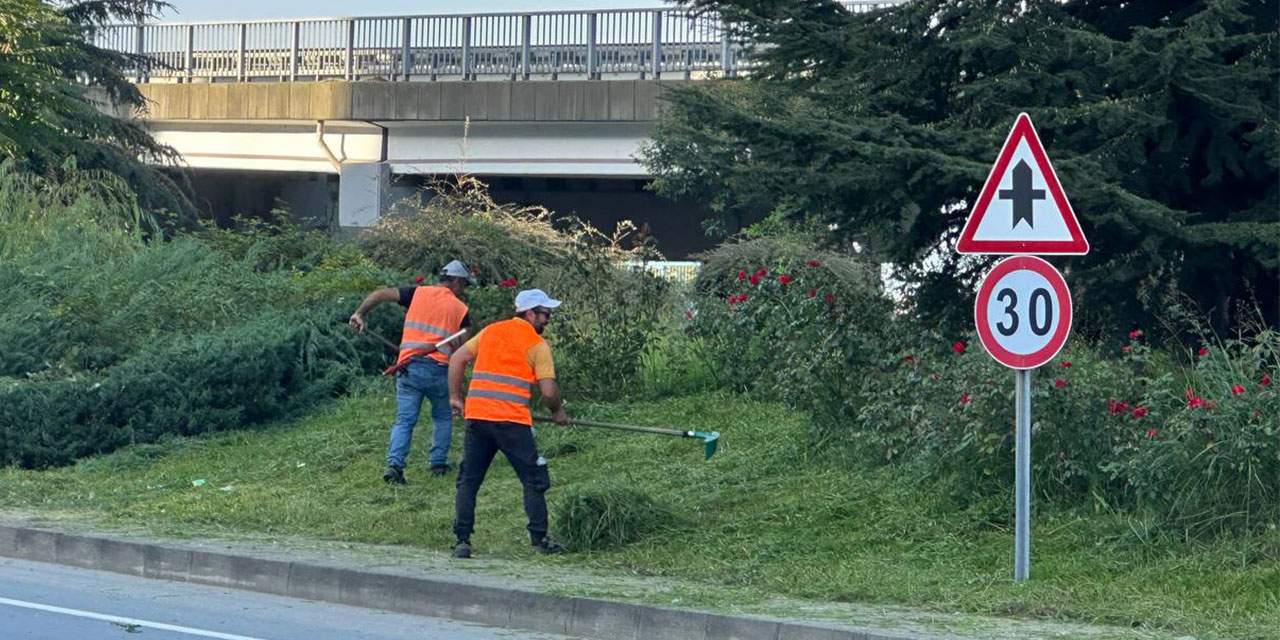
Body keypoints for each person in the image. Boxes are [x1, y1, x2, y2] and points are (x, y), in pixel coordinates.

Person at [447, 289, 570, 558]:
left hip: (478, 419)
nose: (548, 319)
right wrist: (558, 412)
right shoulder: (537, 345)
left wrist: (456, 398)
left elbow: (457, 359)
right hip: (512, 423)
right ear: (529, 313)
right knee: (533, 480)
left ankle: (462, 541)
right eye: (545, 314)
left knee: (468, 481)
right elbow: (548, 392)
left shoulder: (490, 331)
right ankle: (540, 540)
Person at [349, 260, 475, 484]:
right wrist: (462, 379)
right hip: (438, 370)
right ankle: (438, 464)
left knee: (404, 420)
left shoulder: (416, 293)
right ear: (456, 282)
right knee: (443, 417)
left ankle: (394, 465)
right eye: (464, 285)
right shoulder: (460, 309)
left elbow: (379, 294)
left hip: (408, 368)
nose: (463, 290)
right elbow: (464, 348)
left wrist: (360, 314)